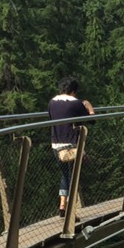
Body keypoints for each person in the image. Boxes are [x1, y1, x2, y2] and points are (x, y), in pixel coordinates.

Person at [47, 77, 94, 216]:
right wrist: (89, 107)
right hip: (72, 146)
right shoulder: (76, 103)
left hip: (56, 145)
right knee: (73, 176)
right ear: (73, 91)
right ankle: (71, 212)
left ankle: (63, 205)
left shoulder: (52, 102)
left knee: (65, 174)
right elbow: (91, 120)